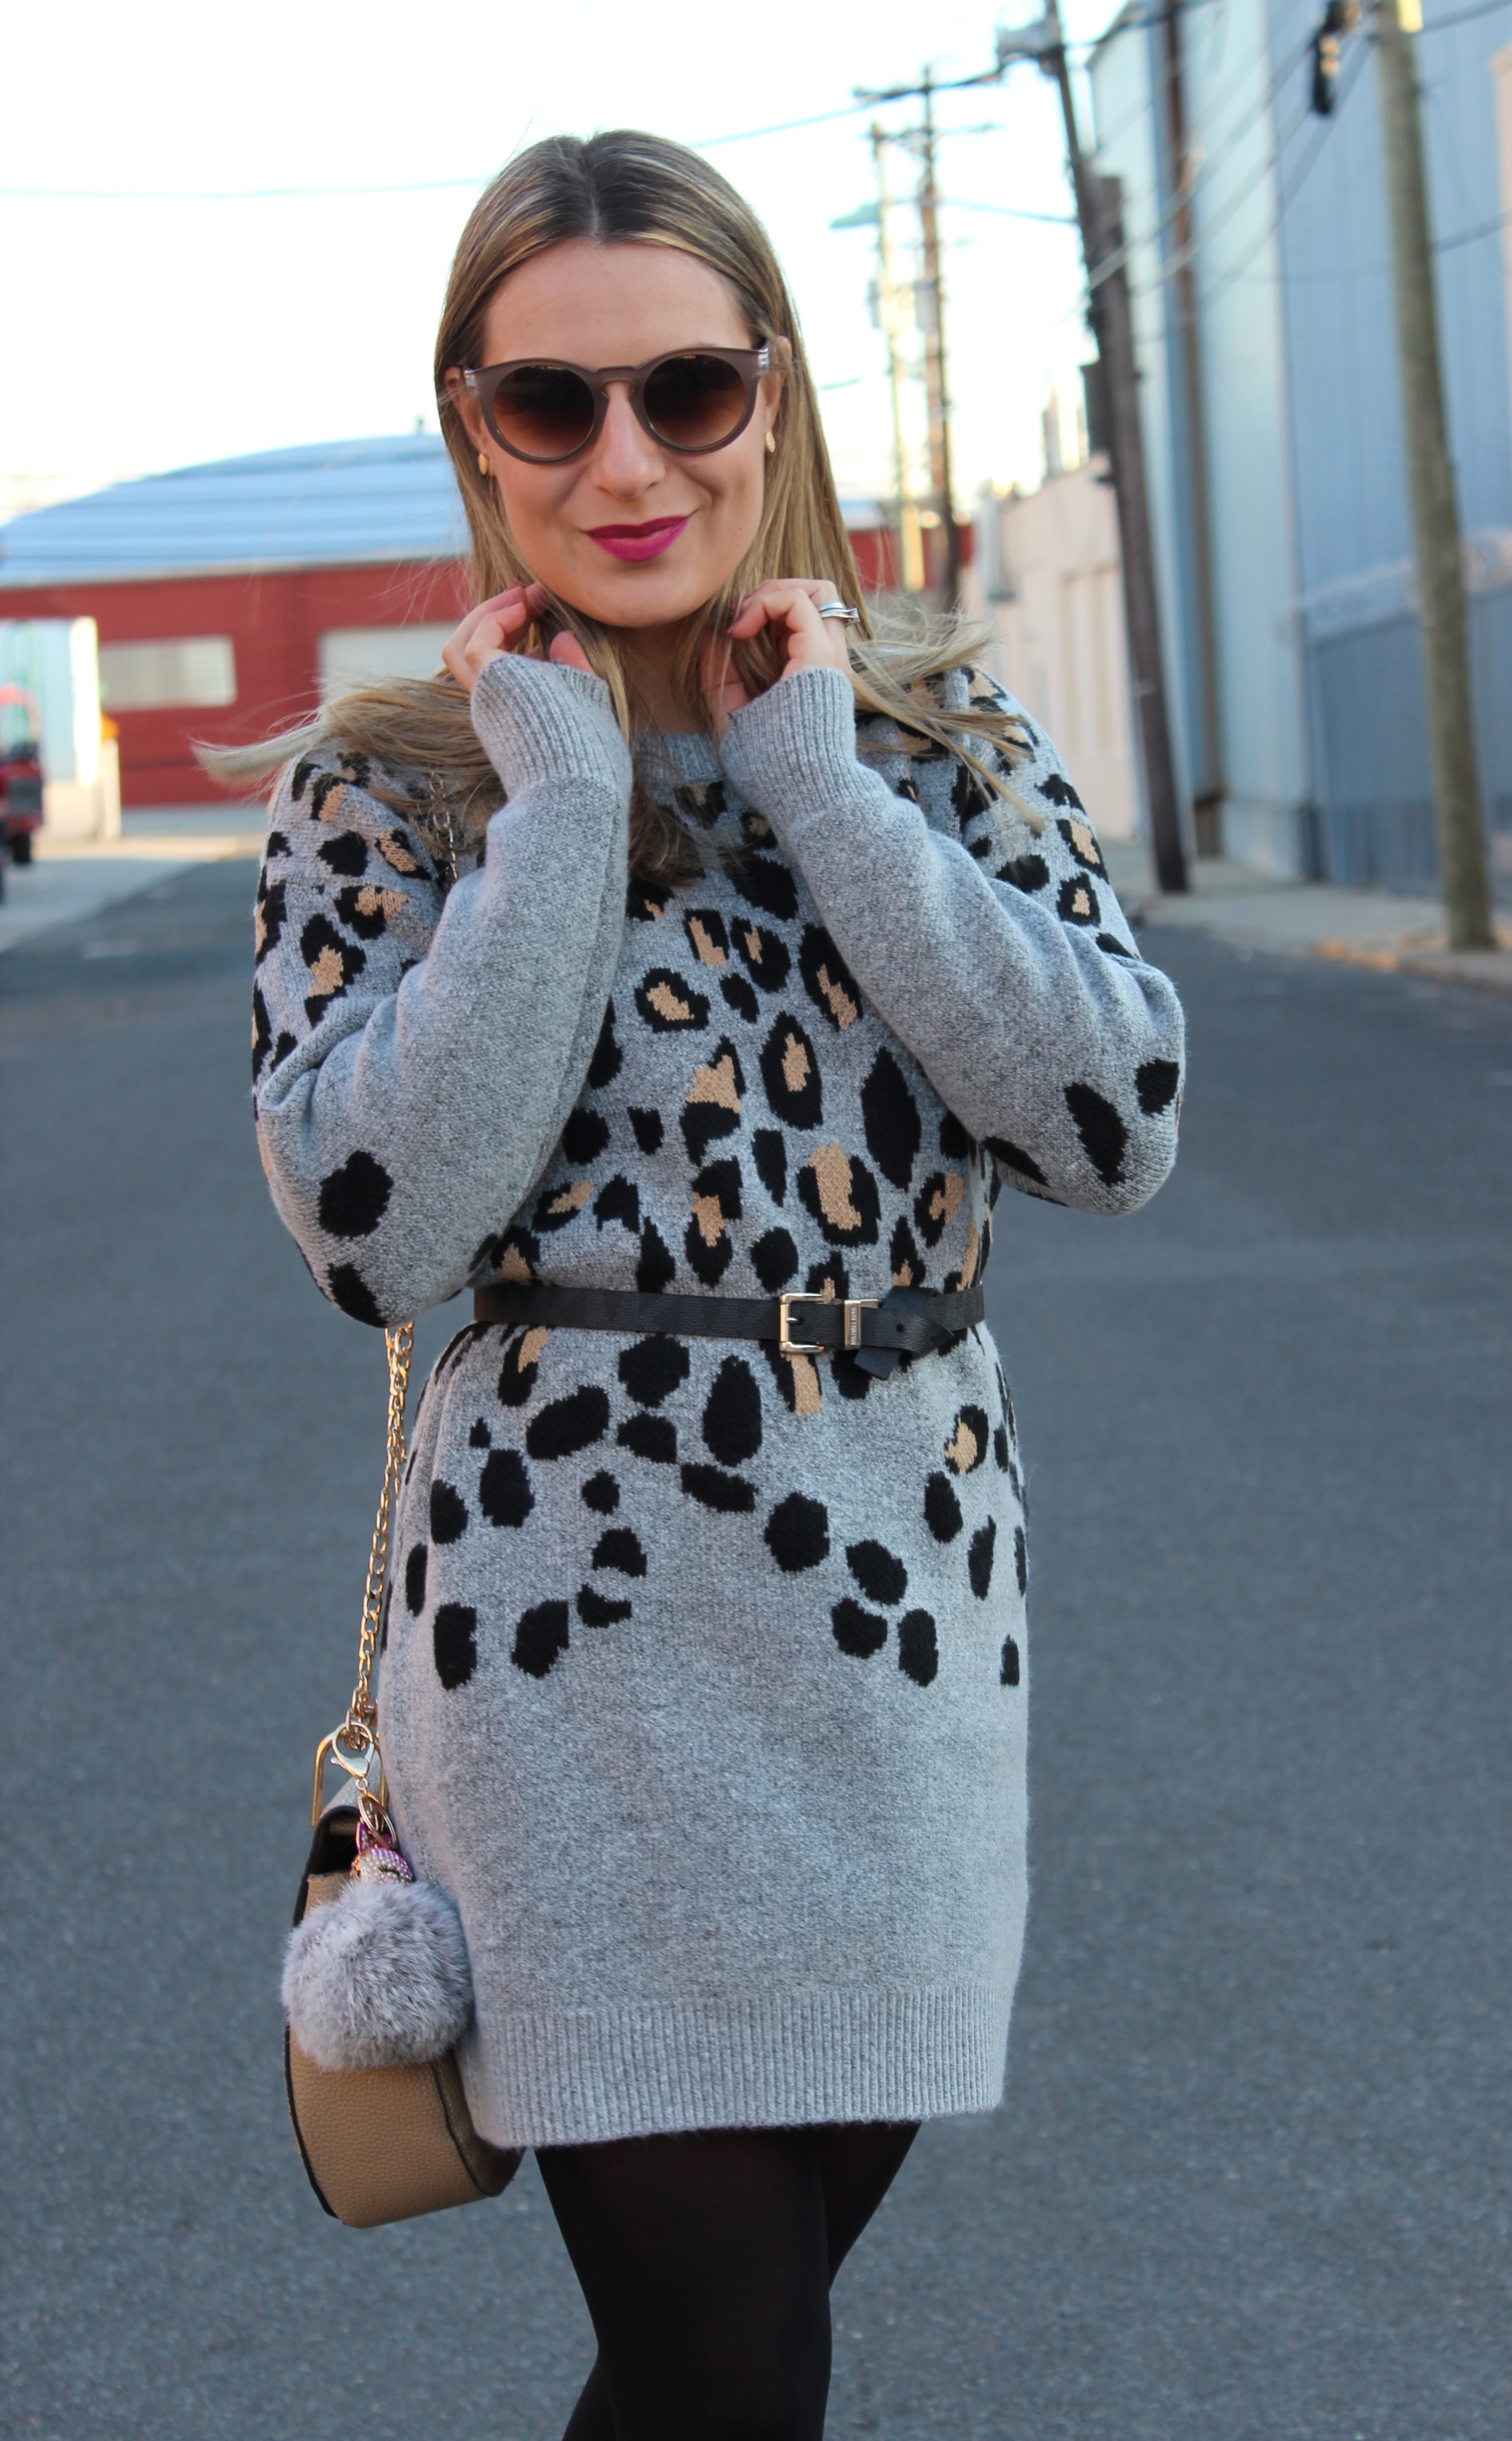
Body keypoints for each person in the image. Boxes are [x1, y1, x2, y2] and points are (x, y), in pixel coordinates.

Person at [237, 129, 1185, 2440]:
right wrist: (562, 805)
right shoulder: (389, 791)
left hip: (898, 1643)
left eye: (685, 388)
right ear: (476, 424)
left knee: (730, 2366)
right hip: (571, 1670)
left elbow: (1108, 1126)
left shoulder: (942, 745)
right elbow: (383, 1224)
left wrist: (826, 789)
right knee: (722, 2362)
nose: (629, 459)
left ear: (772, 392)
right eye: (552, 402)